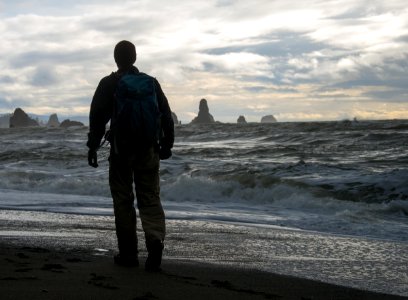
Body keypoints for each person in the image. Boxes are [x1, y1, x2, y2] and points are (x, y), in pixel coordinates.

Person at [87, 40, 174, 272]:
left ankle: (128, 254)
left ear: (116, 59)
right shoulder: (151, 83)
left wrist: (92, 147)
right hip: (148, 149)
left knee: (123, 200)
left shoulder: (109, 83)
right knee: (150, 198)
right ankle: (155, 241)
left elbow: (97, 119)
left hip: (121, 150)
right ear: (134, 58)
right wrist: (167, 145)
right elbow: (166, 116)